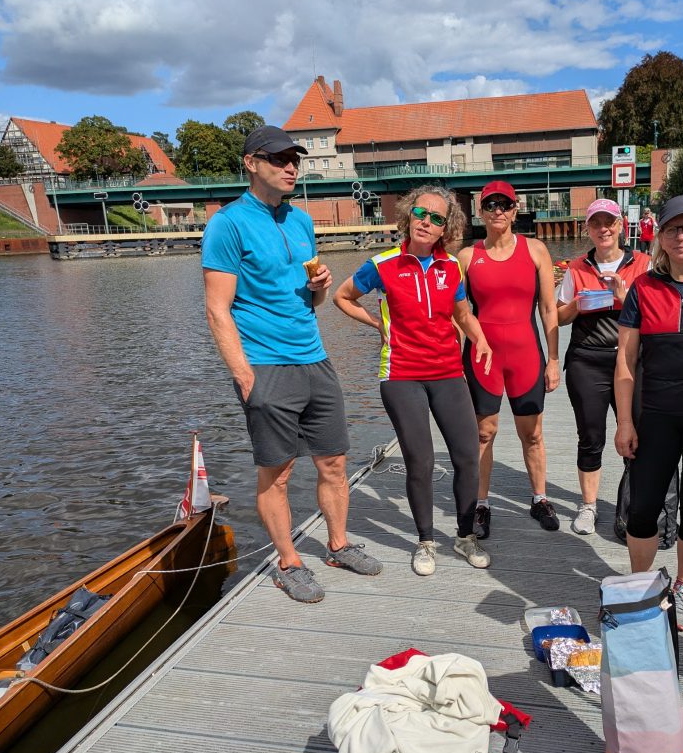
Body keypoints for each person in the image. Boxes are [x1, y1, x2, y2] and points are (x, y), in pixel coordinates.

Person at [202, 125, 382, 604]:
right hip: (265, 365)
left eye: (294, 160)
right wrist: (244, 375)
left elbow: (313, 299)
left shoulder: (300, 221)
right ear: (251, 163)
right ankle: (289, 561)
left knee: (335, 462)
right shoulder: (229, 223)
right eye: (279, 158)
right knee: (276, 474)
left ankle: (338, 544)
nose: (290, 167)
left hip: (314, 358)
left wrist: (322, 284)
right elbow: (217, 308)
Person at [334, 185, 494, 576]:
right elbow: (342, 296)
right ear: (409, 216)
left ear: (446, 228)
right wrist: (377, 324)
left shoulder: (452, 267)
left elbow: (462, 312)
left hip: (448, 372)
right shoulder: (383, 264)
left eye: (437, 218)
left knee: (467, 456)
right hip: (401, 374)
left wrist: (481, 339)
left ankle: (464, 535)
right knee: (419, 461)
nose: (427, 222)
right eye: (421, 214)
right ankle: (425, 541)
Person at [613, 195, 683, 633]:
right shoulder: (644, 287)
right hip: (653, 412)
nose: (682, 235)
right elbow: (625, 359)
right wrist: (623, 422)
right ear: (661, 235)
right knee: (643, 508)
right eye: (674, 227)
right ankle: (641, 585)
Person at [458, 181, 560, 537]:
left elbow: (549, 309)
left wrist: (553, 359)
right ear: (481, 212)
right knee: (484, 433)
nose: (498, 210)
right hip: (483, 356)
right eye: (490, 205)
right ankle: (482, 504)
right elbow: (458, 313)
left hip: (526, 353)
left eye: (505, 204)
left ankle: (540, 498)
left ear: (516, 210)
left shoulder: (535, 250)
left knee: (532, 434)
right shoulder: (468, 257)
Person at [556, 199, 650, 534]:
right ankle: (589, 506)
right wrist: (578, 306)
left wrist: (624, 297)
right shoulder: (578, 268)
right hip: (587, 359)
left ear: (622, 225)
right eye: (596, 223)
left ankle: (634, 505)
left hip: (630, 359)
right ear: (588, 230)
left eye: (609, 222)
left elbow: (654, 318)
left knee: (637, 434)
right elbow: (558, 317)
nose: (604, 229)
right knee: (590, 435)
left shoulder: (644, 264)